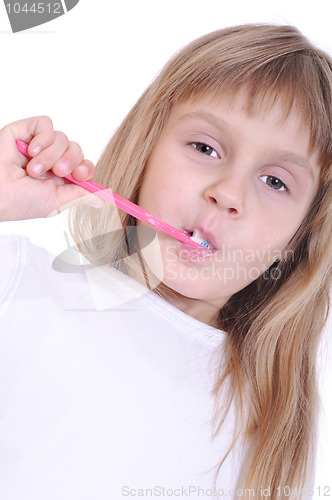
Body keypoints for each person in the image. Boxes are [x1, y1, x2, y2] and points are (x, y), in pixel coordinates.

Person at [0, 23, 331, 499]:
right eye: (205, 148)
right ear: (147, 148)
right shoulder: (21, 289)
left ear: (300, 235)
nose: (228, 194)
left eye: (275, 181)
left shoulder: (277, 423)